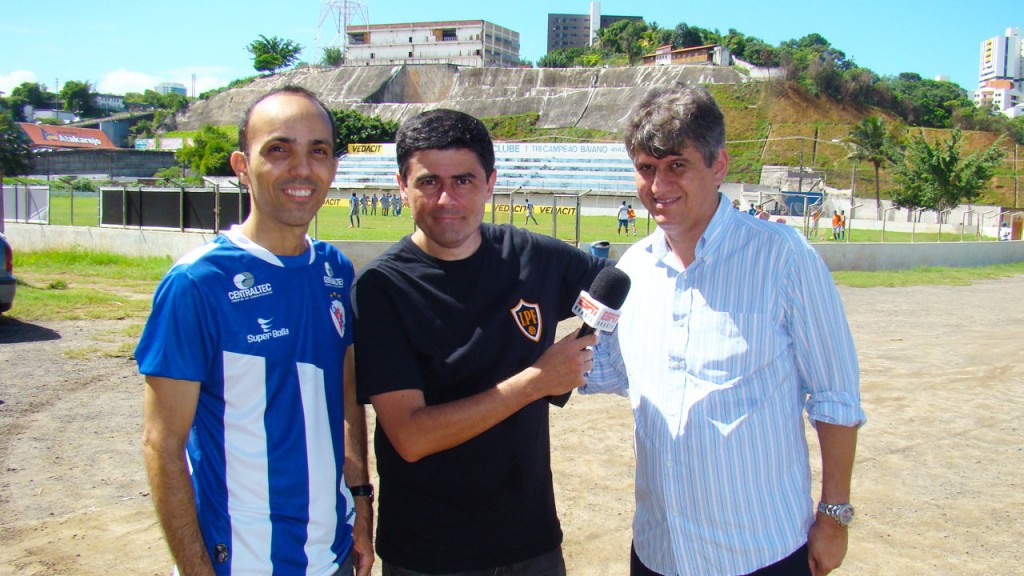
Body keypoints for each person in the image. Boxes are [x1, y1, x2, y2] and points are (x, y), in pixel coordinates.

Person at [582, 83, 865, 576]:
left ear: (718, 165)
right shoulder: (634, 268)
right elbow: (609, 368)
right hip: (658, 551)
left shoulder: (783, 258)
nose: (658, 185)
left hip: (759, 552)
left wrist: (834, 514)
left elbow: (835, 394)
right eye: (646, 168)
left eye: (676, 166)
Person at [352, 108, 608, 576]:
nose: (447, 198)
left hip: (531, 543)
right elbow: (411, 436)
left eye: (464, 181)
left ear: (490, 183)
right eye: (429, 182)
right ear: (402, 186)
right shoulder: (382, 288)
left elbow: (620, 285)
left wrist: (591, 341)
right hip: (429, 553)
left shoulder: (533, 256)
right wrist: (537, 381)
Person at [136, 86, 374, 576]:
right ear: (242, 166)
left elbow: (348, 396)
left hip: (333, 555)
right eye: (279, 149)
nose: (302, 168)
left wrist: (362, 501)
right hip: (245, 561)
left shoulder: (334, 270)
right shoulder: (197, 284)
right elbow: (162, 447)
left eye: (319, 151)